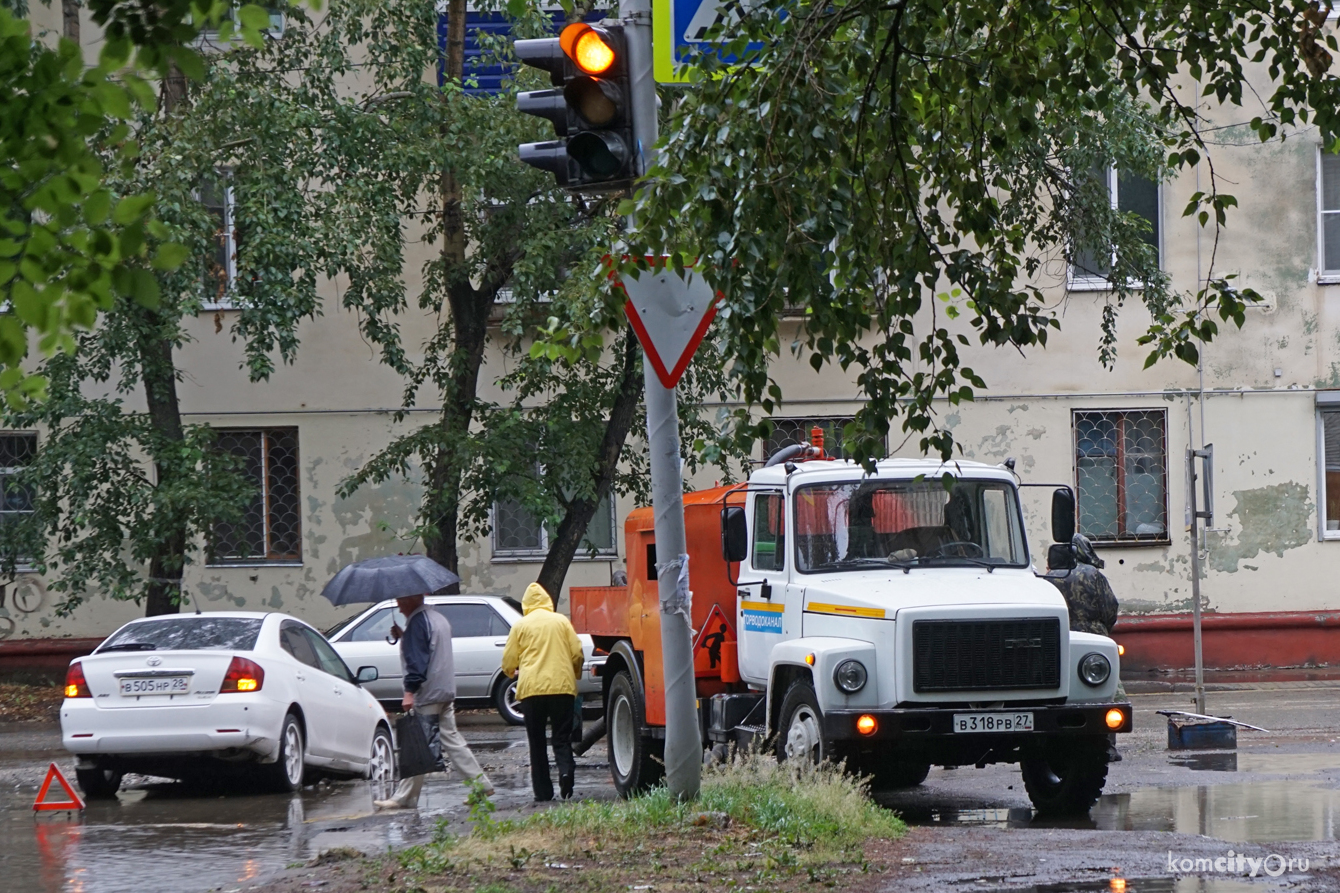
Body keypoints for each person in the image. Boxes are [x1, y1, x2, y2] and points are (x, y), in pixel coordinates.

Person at [373, 593, 493, 809]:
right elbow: (430, 648)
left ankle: (404, 797)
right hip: (445, 690)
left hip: (427, 692)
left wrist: (409, 691)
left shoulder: (418, 622)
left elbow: (418, 660)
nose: (398, 607)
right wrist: (405, 636)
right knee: (452, 741)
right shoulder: (437, 618)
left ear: (411, 599)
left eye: (400, 601)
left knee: (417, 746)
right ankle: (481, 784)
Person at [501, 582, 584, 802]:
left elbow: (508, 660)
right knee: (561, 737)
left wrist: (512, 671)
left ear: (527, 603)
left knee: (536, 742)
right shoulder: (561, 621)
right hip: (562, 689)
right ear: (548, 601)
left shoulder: (521, 626)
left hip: (531, 691)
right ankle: (566, 772)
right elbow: (576, 652)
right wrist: (574, 674)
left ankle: (543, 792)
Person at [1044, 533, 1119, 636]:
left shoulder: (1050, 575)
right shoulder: (1093, 573)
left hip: (1060, 634)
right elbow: (1110, 607)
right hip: (1093, 635)